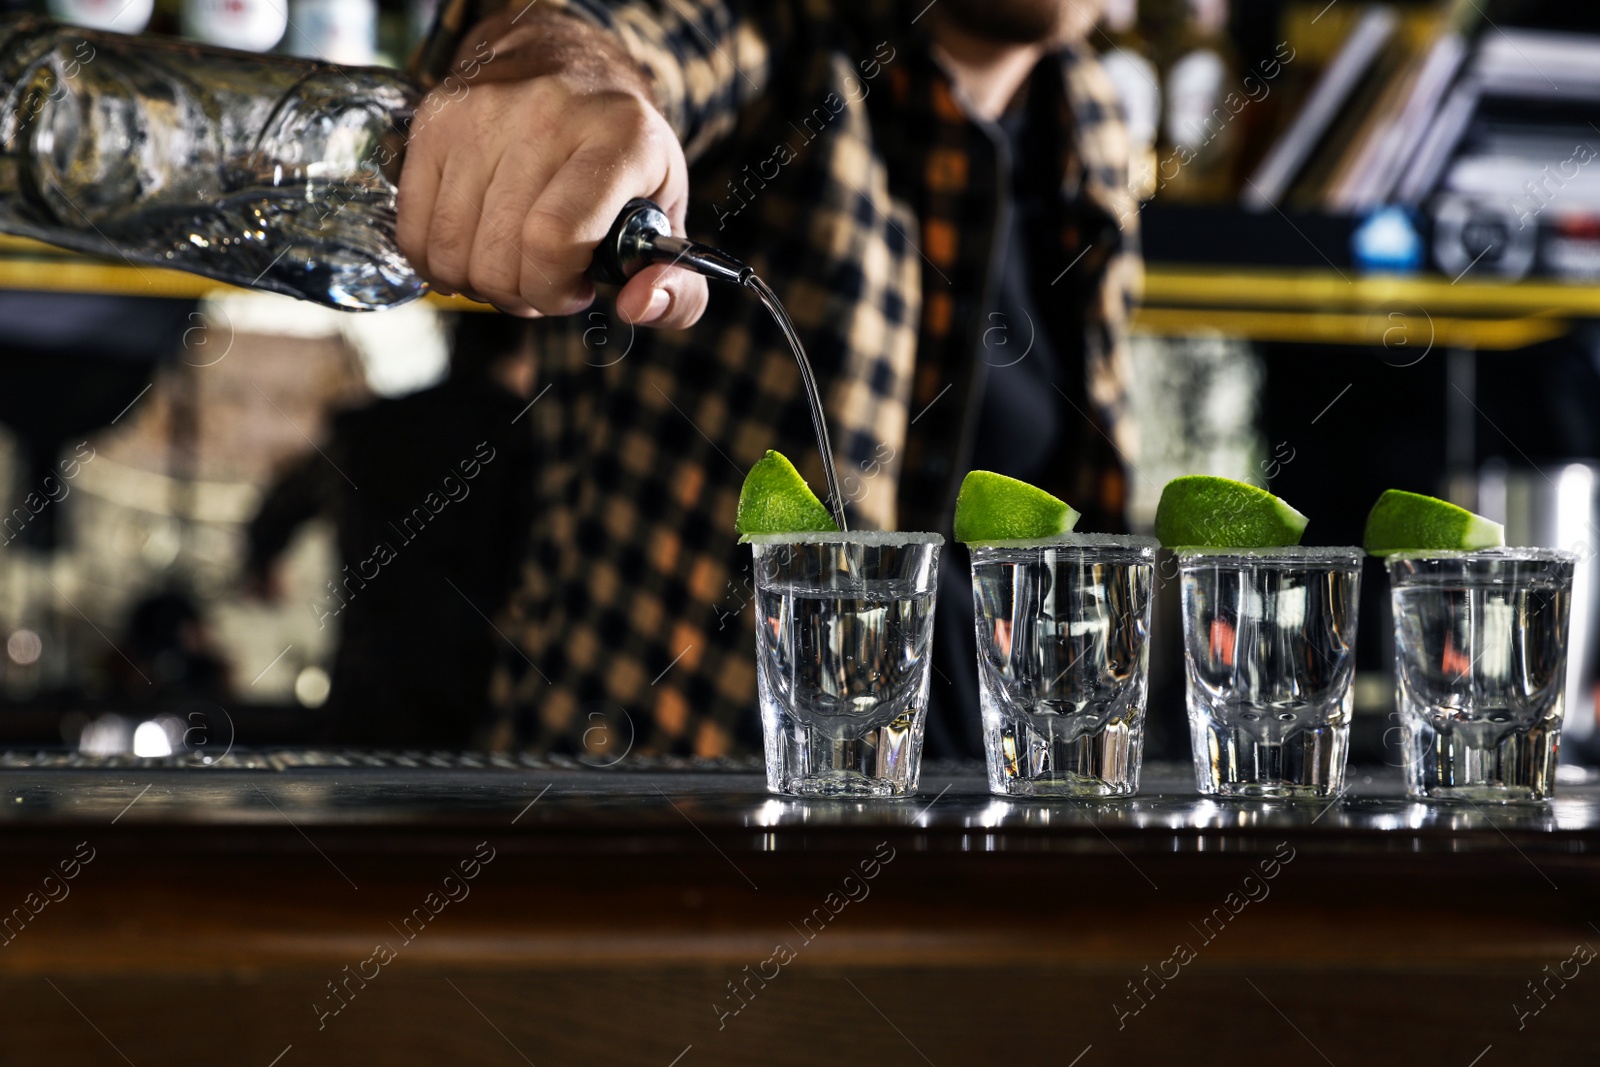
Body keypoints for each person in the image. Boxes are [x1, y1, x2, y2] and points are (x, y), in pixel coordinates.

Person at [404, 0, 1140, 757]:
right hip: (654, 817)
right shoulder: (788, 28)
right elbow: (616, 37)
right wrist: (565, 77)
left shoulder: (1094, 123)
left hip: (975, 836)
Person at [245, 314, 537, 748]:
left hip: (370, 665)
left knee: (360, 795)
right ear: (522, 349)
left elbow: (287, 500)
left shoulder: (374, 425)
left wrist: (261, 557)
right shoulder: (526, 435)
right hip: (470, 674)